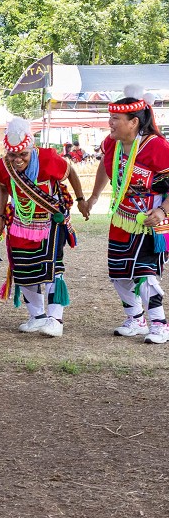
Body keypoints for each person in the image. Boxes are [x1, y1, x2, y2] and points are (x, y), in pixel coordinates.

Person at [85, 87, 169, 344]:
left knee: (144, 274)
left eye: (115, 119)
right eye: (109, 117)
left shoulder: (157, 147)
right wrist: (95, 196)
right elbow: (104, 165)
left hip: (151, 219)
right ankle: (136, 318)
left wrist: (163, 210)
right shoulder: (111, 143)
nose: (110, 123)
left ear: (134, 122)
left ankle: (159, 324)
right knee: (119, 274)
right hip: (122, 217)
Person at [0, 117, 88, 338]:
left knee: (52, 268)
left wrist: (81, 198)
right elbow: (2, 189)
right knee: (24, 270)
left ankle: (55, 318)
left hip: (50, 221)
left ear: (31, 148)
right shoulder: (2, 165)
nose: (17, 160)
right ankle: (37, 316)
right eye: (12, 155)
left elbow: (70, 172)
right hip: (20, 223)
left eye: (22, 155)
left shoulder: (47, 158)